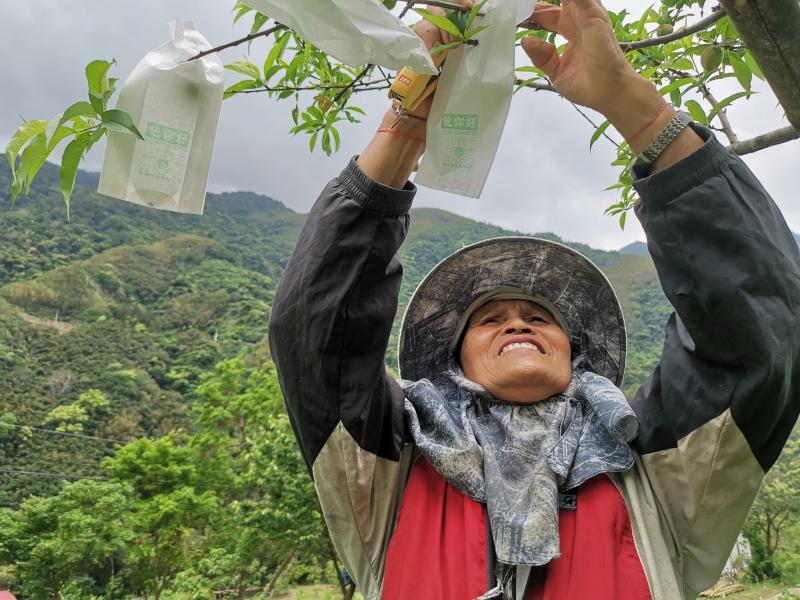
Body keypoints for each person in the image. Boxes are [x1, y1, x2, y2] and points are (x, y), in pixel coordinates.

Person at [268, 1, 800, 598]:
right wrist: (407, 123)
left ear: (573, 353)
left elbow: (758, 331)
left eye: (539, 317)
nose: (517, 323)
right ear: (455, 360)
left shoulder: (653, 468)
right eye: (490, 319)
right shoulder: (391, 465)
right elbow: (316, 329)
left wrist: (634, 104)